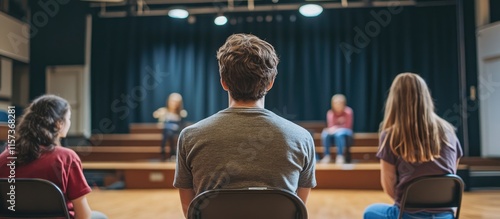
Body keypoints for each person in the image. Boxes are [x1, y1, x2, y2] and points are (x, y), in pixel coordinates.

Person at [174, 33, 316, 217]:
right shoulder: (301, 137)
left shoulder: (189, 137)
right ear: (271, 83)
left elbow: (191, 213)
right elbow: (296, 211)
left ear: (223, 82)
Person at [363, 73, 463, 219]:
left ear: (395, 99)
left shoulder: (390, 136)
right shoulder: (448, 131)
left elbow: (389, 187)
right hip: (446, 216)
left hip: (408, 215)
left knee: (370, 212)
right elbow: (451, 174)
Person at [0, 95, 107, 219]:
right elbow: (83, 216)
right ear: (59, 124)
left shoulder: (3, 159)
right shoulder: (67, 158)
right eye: (69, 118)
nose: (70, 122)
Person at [319, 94, 353, 164]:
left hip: (346, 131)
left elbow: (348, 126)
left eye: (340, 102)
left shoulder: (348, 111)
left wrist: (336, 128)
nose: (338, 104)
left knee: (339, 134)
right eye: (335, 103)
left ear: (343, 103)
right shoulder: (330, 113)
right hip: (334, 131)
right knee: (325, 133)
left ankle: (340, 156)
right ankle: (327, 155)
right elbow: (330, 126)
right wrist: (330, 129)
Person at [153, 93, 187, 161]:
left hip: (177, 132)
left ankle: (163, 151)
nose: (174, 104)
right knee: (168, 131)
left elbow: (182, 126)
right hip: (167, 132)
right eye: (173, 101)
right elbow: (158, 122)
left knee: (169, 132)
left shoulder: (182, 113)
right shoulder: (163, 112)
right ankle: (171, 154)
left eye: (177, 102)